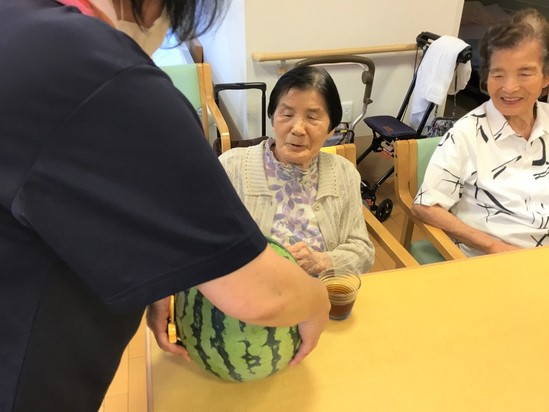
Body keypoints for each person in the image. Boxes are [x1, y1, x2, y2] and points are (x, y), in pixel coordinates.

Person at [0, 1, 330, 410]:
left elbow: (75, 193)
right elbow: (260, 295)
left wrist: (164, 272)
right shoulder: (107, 75)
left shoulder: (17, 23)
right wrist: (317, 299)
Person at [412, 8, 549, 257]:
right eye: (498, 74)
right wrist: (495, 247)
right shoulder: (467, 133)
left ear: (545, 77)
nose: (510, 87)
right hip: (493, 260)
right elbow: (426, 206)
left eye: (524, 73)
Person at [219, 66, 375, 275]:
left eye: (312, 117)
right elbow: (206, 239)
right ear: (272, 118)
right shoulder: (232, 167)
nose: (298, 129)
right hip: (250, 289)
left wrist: (323, 261)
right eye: (287, 114)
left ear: (331, 129)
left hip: (324, 289)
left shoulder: (344, 174)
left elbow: (362, 251)